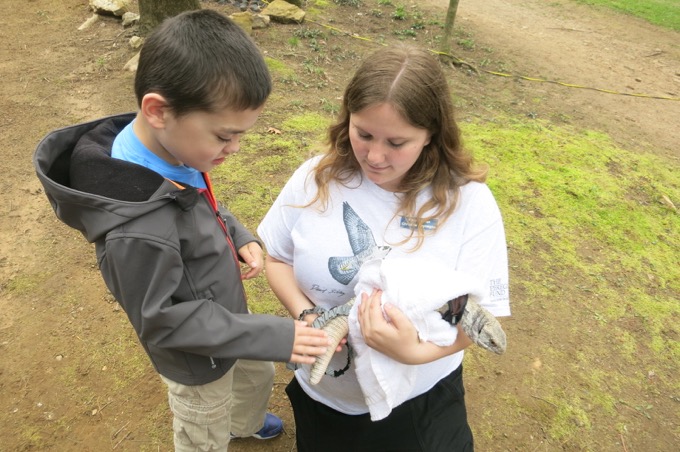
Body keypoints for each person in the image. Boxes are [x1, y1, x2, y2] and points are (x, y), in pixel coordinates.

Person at [33, 10, 330, 452]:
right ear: (158, 111)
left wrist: (238, 232)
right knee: (203, 423)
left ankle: (242, 423)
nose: (234, 149)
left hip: (230, 321)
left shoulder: (170, 153)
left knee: (255, 375)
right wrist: (279, 336)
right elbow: (162, 322)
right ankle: (217, 432)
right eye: (225, 136)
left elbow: (199, 206)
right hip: (198, 358)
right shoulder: (135, 231)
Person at [257, 44, 511, 451]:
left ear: (431, 135)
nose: (374, 156)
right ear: (347, 119)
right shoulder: (314, 178)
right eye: (364, 134)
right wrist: (306, 314)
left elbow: (478, 318)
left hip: (417, 404)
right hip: (325, 399)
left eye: (397, 142)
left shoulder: (469, 203)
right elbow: (277, 257)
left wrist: (414, 353)